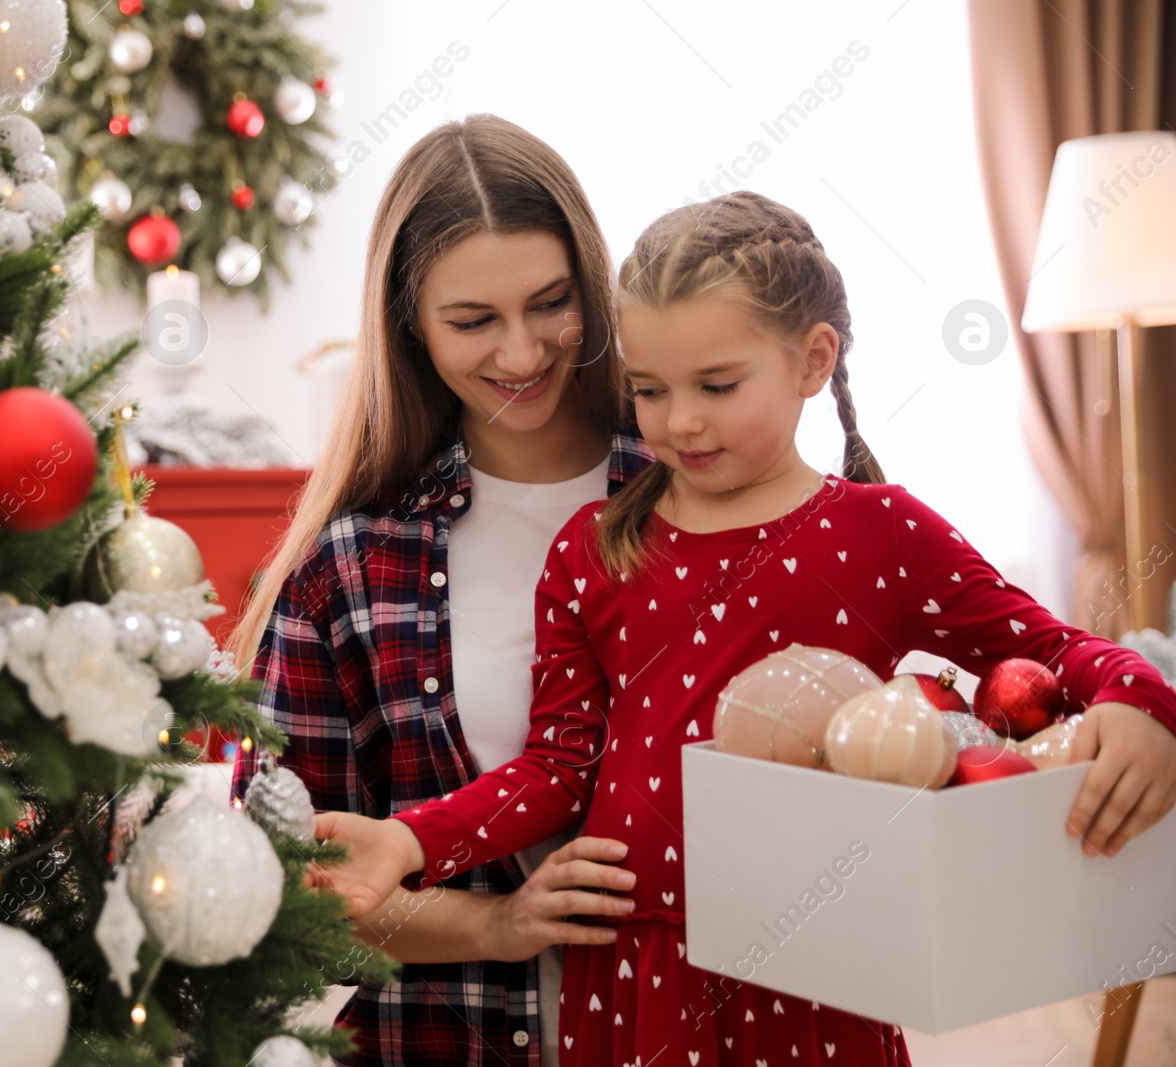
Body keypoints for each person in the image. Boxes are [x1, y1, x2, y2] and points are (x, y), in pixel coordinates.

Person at [309, 190, 1176, 1067]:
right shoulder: (593, 546)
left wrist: (1143, 702)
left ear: (813, 359)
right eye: (649, 390)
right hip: (632, 966)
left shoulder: (884, 531)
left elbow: (1058, 653)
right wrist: (410, 837)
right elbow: (558, 764)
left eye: (716, 386)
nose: (679, 421)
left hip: (819, 963)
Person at [226, 114, 651, 1067]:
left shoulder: (696, 489)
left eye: (552, 303)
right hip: (448, 1037)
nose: (522, 352)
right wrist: (498, 924)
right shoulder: (352, 562)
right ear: (409, 327)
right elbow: (293, 886)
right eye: (472, 321)